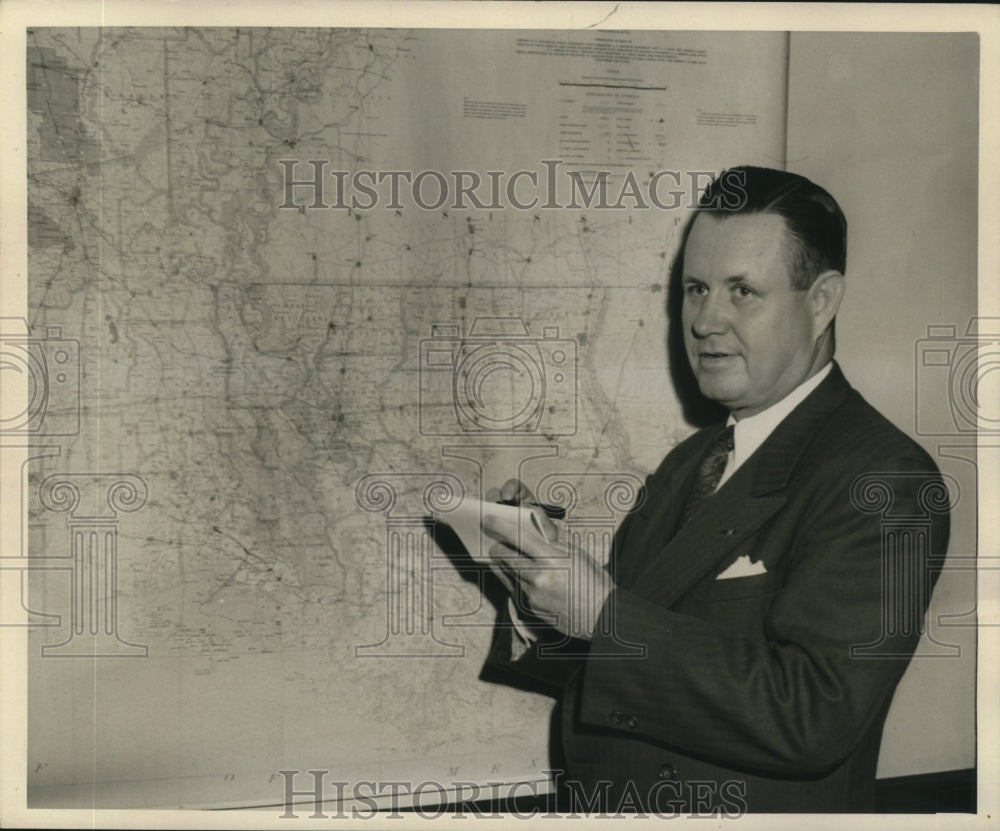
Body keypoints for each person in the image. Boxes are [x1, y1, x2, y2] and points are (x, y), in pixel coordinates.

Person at [479, 166, 950, 814]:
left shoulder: (885, 478)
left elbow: (812, 715)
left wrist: (605, 614)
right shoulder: (693, 459)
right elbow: (628, 678)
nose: (705, 320)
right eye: (696, 289)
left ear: (821, 301)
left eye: (742, 292)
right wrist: (537, 590)